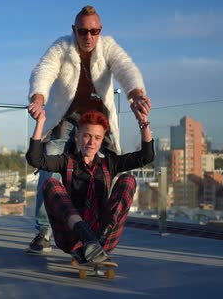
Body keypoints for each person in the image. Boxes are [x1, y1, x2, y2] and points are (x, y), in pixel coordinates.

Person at [26, 5, 150, 254]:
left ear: (100, 30)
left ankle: (98, 229)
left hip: (97, 123)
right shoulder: (62, 47)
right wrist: (38, 98)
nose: (89, 37)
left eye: (94, 31)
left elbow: (126, 69)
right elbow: (44, 71)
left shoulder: (108, 46)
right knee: (47, 170)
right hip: (67, 119)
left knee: (105, 171)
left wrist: (136, 94)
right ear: (74, 30)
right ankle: (44, 231)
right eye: (83, 31)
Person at [26, 104, 153, 263]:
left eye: (97, 138)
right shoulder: (67, 162)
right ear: (77, 135)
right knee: (50, 184)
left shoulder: (109, 163)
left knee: (128, 180)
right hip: (71, 238)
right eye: (87, 136)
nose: (91, 142)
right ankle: (86, 237)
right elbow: (35, 159)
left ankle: (96, 243)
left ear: (102, 140)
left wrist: (143, 124)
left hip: (104, 239)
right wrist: (40, 123)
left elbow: (146, 157)